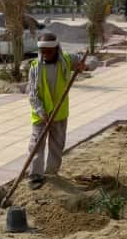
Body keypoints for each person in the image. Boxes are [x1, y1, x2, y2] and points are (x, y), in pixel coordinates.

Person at [26, 32, 85, 189]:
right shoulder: (35, 67)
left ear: (56, 49)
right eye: (42, 51)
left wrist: (85, 65)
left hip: (59, 113)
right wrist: (40, 111)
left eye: (48, 51)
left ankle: (51, 173)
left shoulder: (66, 59)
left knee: (57, 145)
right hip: (40, 115)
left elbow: (92, 60)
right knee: (36, 145)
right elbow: (32, 93)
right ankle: (35, 176)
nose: (45, 54)